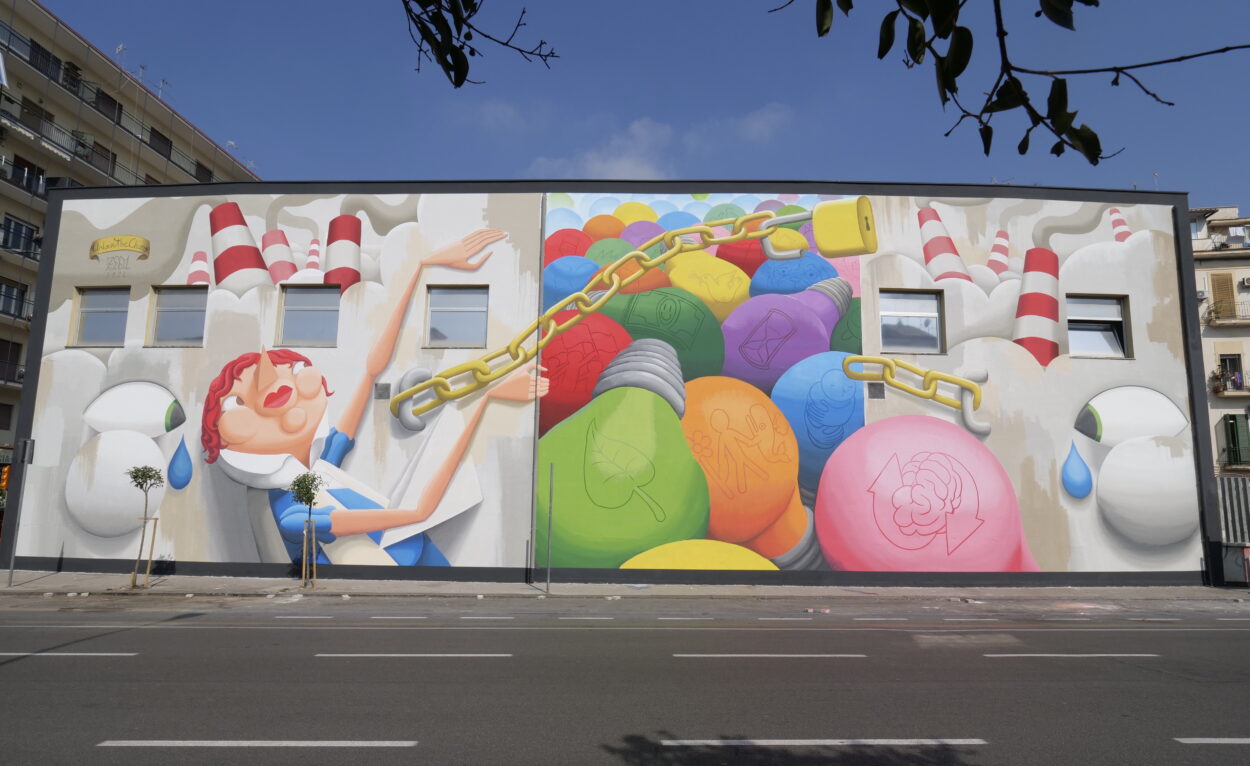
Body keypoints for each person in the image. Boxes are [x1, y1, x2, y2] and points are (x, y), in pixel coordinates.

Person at [200, 227, 548, 565]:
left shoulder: (320, 469)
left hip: (418, 555)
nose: (273, 387)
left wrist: (420, 269)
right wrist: (486, 401)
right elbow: (417, 512)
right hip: (400, 566)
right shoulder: (294, 510)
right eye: (238, 402)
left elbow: (371, 371)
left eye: (289, 373)